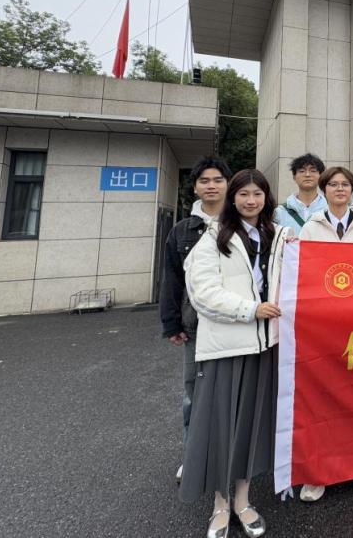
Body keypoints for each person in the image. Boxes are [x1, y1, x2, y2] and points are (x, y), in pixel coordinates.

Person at [181, 169, 289, 538]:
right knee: (219, 428)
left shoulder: (278, 236)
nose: (250, 200)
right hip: (225, 349)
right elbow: (202, 294)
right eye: (243, 194)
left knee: (250, 429)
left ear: (266, 198)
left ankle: (243, 500)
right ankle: (220, 506)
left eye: (257, 193)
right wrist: (250, 310)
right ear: (233, 198)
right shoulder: (214, 237)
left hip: (265, 347)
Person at [296, 166, 353, 502]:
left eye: (345, 184)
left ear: (352, 189)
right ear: (324, 190)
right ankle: (317, 472)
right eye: (333, 184)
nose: (339, 189)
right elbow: (304, 273)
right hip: (322, 324)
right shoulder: (311, 226)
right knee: (321, 396)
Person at [159, 156, 232, 485]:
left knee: (233, 389)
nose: (211, 186)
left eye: (218, 180)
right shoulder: (182, 231)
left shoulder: (241, 224)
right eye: (205, 181)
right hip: (196, 324)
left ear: (228, 185)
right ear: (195, 188)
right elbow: (172, 278)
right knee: (195, 392)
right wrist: (171, 323)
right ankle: (192, 455)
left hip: (237, 323)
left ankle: (231, 454)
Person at [272, 153, 326, 233]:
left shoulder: (330, 210)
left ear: (321, 176)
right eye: (302, 171)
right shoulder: (279, 213)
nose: (307, 175)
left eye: (313, 171)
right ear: (294, 177)